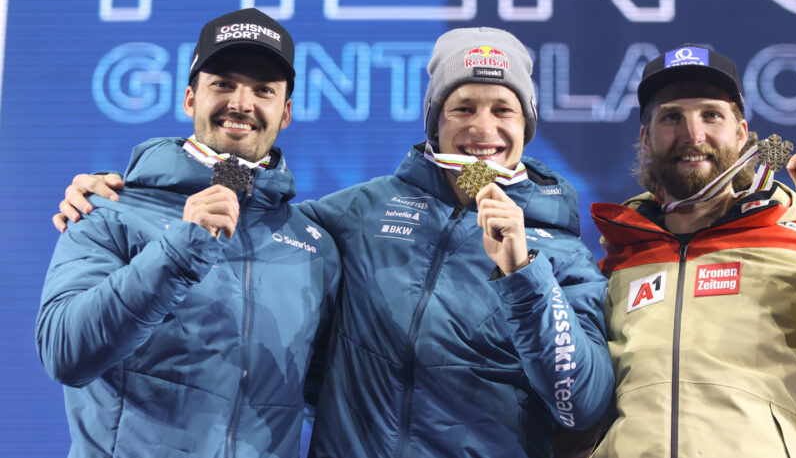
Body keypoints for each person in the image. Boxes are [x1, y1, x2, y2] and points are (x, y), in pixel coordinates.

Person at [53, 27, 614, 458]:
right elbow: (254, 214)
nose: (481, 129)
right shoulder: (352, 216)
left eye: (503, 109)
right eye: (462, 107)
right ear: (435, 122)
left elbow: (579, 405)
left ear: (527, 124)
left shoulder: (562, 253)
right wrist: (127, 184)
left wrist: (523, 274)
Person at [574, 45, 796, 457]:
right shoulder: (618, 260)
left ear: (741, 135)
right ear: (646, 139)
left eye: (711, 115)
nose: (693, 134)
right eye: (671, 117)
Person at [37, 8, 340, 458]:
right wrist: (177, 252)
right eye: (223, 84)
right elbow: (66, 353)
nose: (242, 103)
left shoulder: (315, 247)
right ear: (190, 99)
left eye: (263, 90)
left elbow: (333, 402)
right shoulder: (108, 209)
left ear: (286, 112)